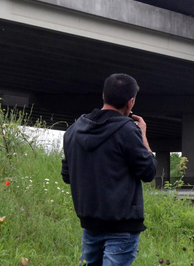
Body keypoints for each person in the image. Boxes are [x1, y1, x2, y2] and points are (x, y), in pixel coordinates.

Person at [61, 73, 157, 266]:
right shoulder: (128, 131)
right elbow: (149, 172)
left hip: (90, 225)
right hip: (122, 226)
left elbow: (67, 176)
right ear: (131, 102)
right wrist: (143, 135)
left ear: (103, 95)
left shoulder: (73, 130)